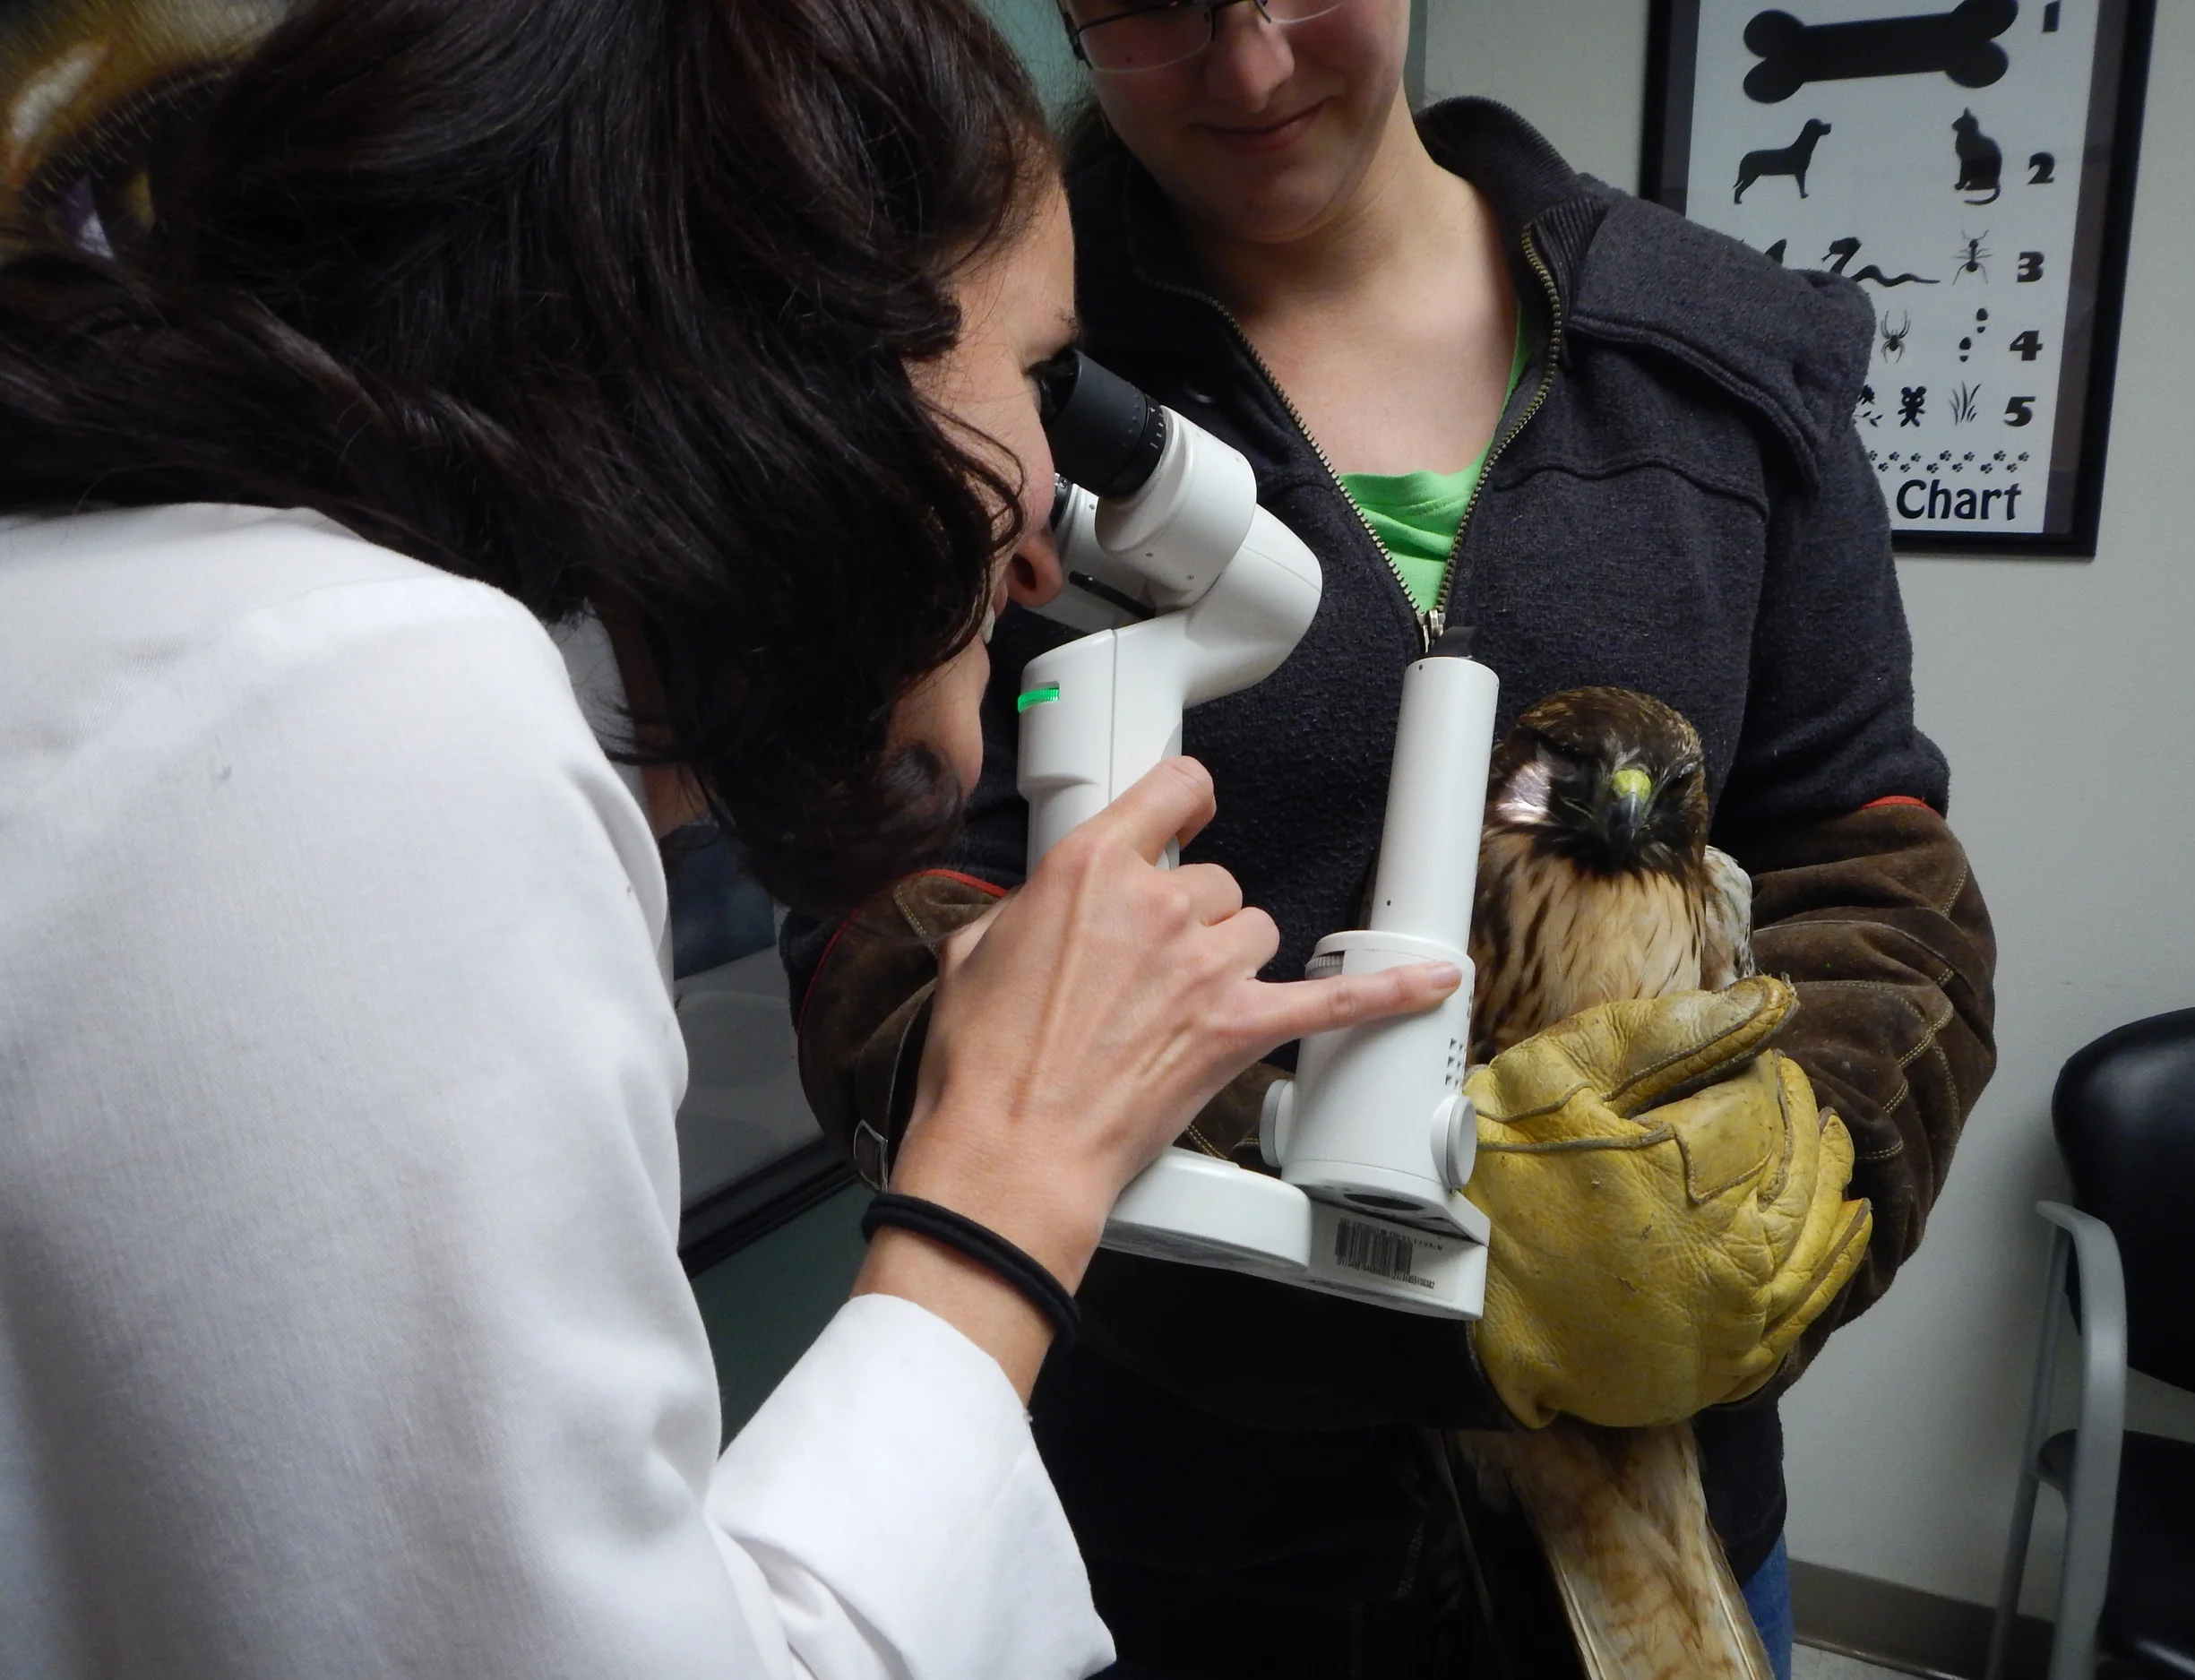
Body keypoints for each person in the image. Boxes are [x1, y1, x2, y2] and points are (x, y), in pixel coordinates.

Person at [0, 1, 1463, 1675]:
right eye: (1037, 371)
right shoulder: (381, 711)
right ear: (802, 337)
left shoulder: (175, 620)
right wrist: (1008, 1173)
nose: (1045, 555)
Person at [784, 1, 1998, 1676]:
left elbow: (1878, 862)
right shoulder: (988, 369)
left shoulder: (1728, 353)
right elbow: (873, 908)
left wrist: (1790, 1170)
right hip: (1175, 1546)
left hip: (1653, 1531)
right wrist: (1237, 1142)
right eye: (1153, 5)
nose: (1253, 64)